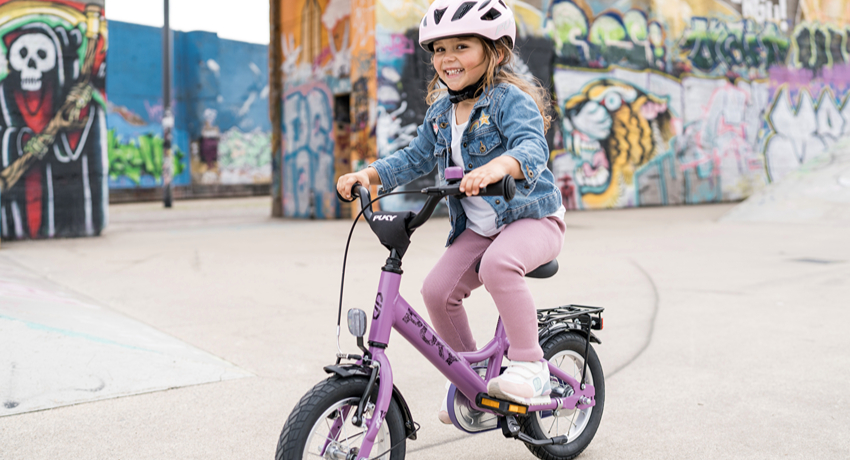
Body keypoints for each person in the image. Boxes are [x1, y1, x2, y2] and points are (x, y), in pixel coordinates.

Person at [336, 0, 566, 418]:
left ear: (494, 51)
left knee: (498, 265)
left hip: (532, 218)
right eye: (440, 50)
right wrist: (368, 176)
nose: (448, 59)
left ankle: (531, 367)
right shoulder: (442, 111)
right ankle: (472, 378)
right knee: (436, 291)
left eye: (462, 46)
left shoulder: (508, 99)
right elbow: (415, 157)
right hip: (479, 227)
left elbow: (532, 146)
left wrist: (499, 166)